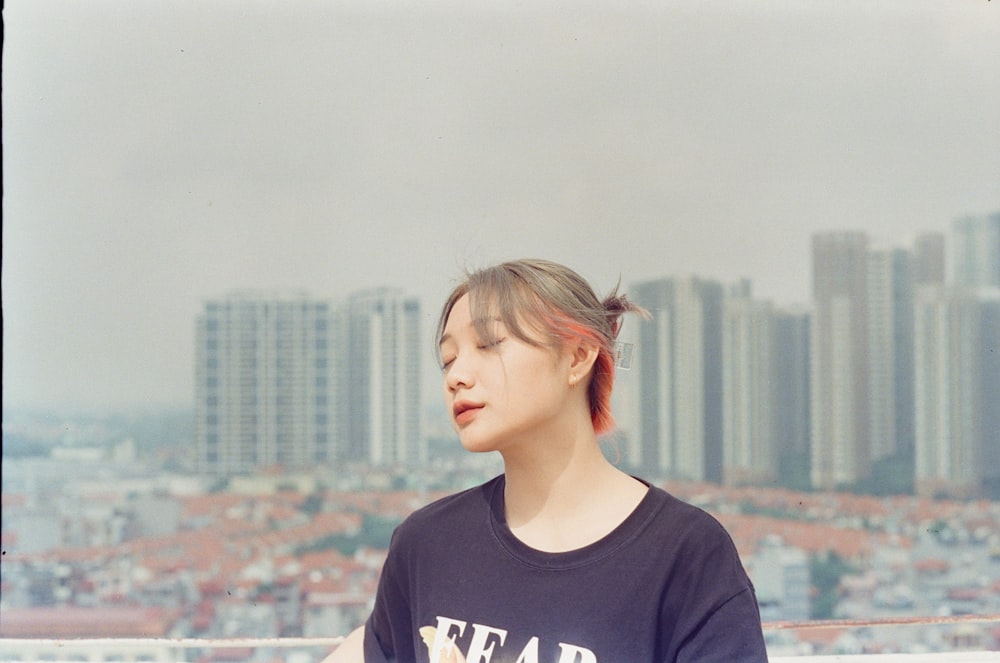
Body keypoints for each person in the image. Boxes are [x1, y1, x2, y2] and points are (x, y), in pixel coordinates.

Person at [324, 259, 768, 663]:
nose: (457, 376)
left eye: (489, 343)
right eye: (448, 358)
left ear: (577, 356)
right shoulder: (425, 545)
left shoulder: (685, 553)